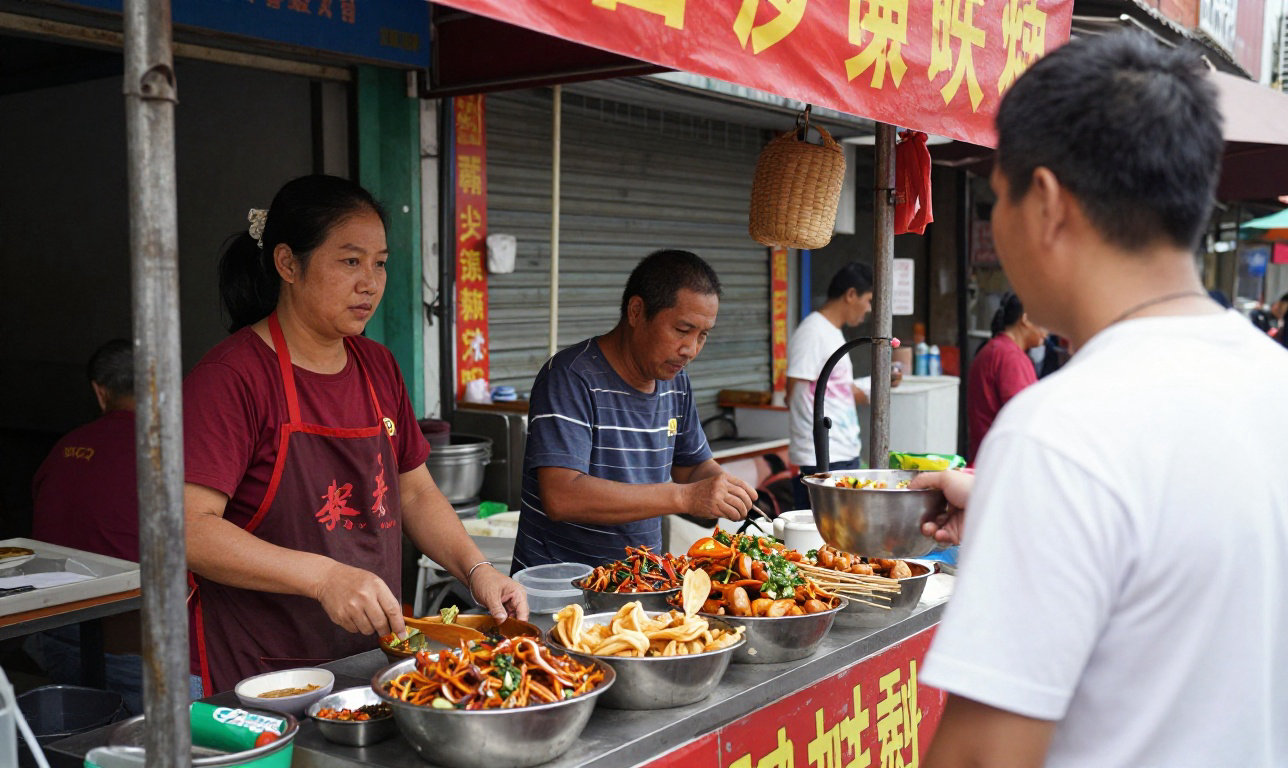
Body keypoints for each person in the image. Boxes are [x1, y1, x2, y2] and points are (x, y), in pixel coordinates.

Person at [912, 34, 1288, 768]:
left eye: (999, 197)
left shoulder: (1058, 432)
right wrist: (1013, 507)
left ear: (1046, 202)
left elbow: (981, 757)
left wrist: (1032, 492)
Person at [182, 175, 527, 694]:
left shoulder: (377, 366)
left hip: (371, 661)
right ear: (288, 264)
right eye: (350, 261)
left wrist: (478, 570)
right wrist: (324, 577)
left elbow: (415, 491)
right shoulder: (231, 378)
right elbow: (189, 529)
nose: (370, 283)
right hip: (262, 671)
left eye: (380, 263)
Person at [510, 250, 758, 571]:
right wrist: (685, 497)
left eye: (703, 335)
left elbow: (691, 467)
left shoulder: (675, 382)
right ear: (636, 311)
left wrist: (722, 488)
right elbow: (562, 496)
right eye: (682, 330)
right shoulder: (571, 376)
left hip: (639, 583)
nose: (691, 349)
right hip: (562, 586)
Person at [27, 339, 145, 712]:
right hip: (143, 646)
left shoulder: (66, 447)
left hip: (57, 634)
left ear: (100, 391)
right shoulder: (174, 450)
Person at [785, 262, 900, 509]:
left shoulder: (832, 333)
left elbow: (839, 392)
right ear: (851, 294)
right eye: (868, 300)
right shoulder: (813, 332)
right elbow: (793, 393)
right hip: (822, 458)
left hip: (843, 452)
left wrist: (881, 381)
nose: (869, 309)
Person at [964, 292, 1045, 464]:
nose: (1048, 332)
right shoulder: (1010, 356)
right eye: (1045, 321)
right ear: (1026, 319)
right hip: (1003, 464)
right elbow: (1025, 418)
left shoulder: (995, 349)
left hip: (988, 462)